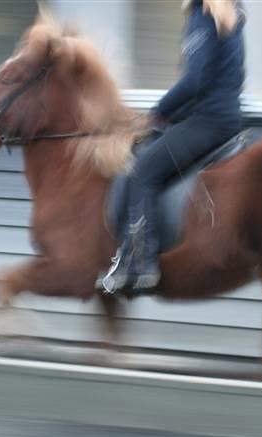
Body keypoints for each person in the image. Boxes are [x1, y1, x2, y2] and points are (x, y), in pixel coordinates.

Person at [101, 0, 246, 294]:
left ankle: (141, 263)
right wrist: (174, 116)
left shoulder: (202, 16)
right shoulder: (230, 13)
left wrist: (158, 111)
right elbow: (217, 83)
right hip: (221, 118)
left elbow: (194, 81)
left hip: (206, 122)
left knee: (142, 171)